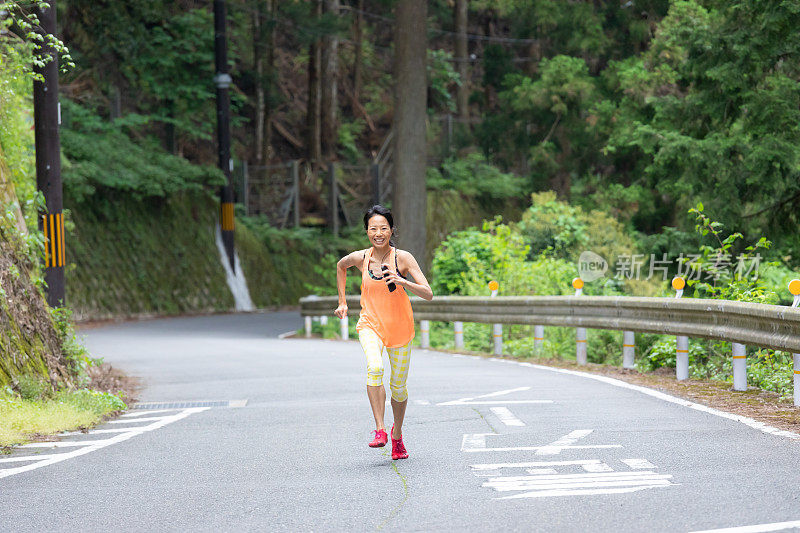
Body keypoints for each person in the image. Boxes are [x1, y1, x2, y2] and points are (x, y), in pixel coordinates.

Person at [334, 205, 433, 460]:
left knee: (398, 388)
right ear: (367, 231)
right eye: (373, 228)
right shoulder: (361, 257)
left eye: (383, 228)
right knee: (375, 368)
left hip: (400, 329)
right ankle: (380, 429)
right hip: (370, 325)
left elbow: (428, 293)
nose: (378, 233)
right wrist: (343, 301)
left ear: (391, 230)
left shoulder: (404, 258)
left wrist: (402, 281)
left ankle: (397, 435)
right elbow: (340, 266)